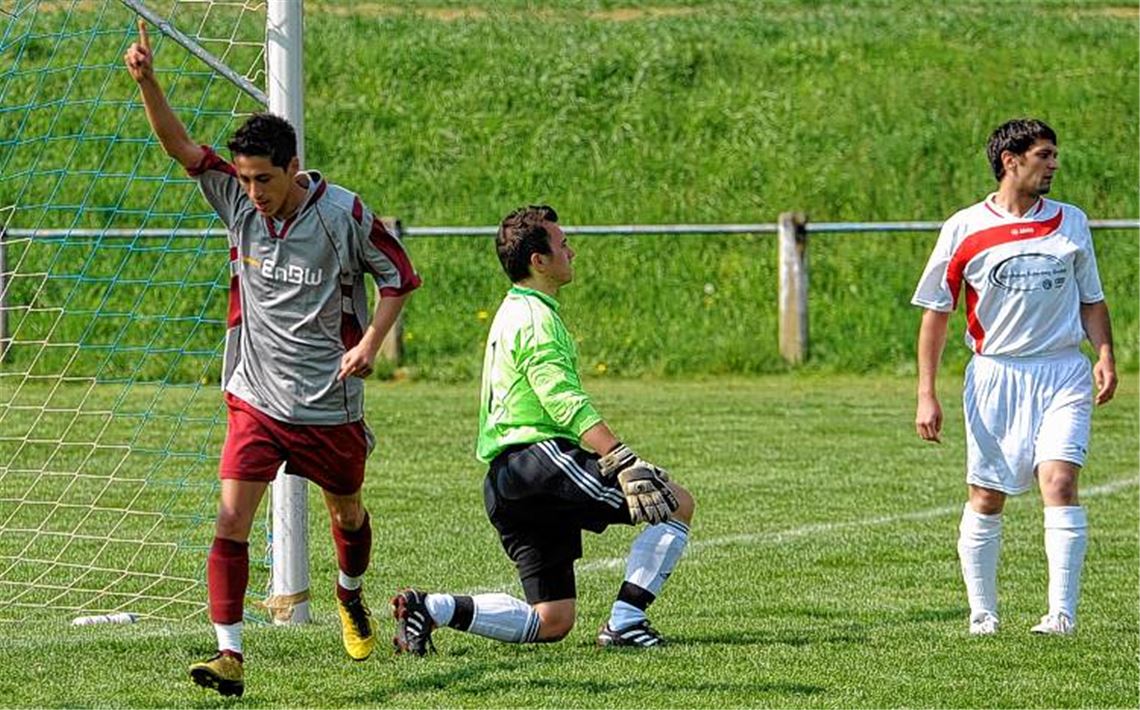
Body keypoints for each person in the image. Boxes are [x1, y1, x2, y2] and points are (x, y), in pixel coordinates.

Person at [124, 21, 421, 696]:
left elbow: (399, 277)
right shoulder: (236, 200)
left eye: (264, 178)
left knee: (347, 515)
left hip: (328, 401)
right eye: (246, 179)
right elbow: (182, 149)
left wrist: (370, 344)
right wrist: (148, 82)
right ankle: (229, 654)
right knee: (231, 519)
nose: (253, 191)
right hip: (255, 395)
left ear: (293, 167)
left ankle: (349, 592)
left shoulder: (343, 214)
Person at [391, 205, 695, 654]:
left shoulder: (516, 310)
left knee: (552, 620)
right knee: (676, 505)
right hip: (540, 463)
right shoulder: (536, 319)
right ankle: (626, 622)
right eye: (562, 243)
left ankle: (428, 608)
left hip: (506, 479)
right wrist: (621, 459)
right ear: (539, 260)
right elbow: (563, 402)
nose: (571, 251)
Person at [912, 118, 1116, 637]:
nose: (1054, 164)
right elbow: (937, 312)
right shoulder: (964, 227)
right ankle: (983, 613)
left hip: (1062, 371)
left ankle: (1061, 614)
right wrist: (926, 394)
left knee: (1060, 481)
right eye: (1044, 155)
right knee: (986, 496)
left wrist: (1105, 354)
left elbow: (1092, 298)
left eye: (1053, 155)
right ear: (1011, 161)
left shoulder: (1071, 221)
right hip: (995, 374)